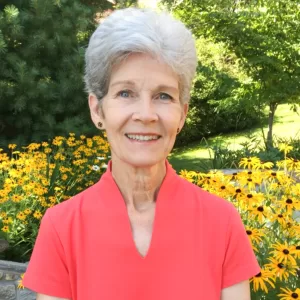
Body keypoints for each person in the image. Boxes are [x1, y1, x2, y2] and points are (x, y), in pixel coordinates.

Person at [23, 7, 260, 300]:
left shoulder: (221, 223)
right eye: (126, 93)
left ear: (182, 114)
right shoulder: (62, 228)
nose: (146, 114)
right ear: (98, 110)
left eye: (163, 96)